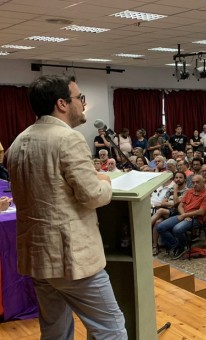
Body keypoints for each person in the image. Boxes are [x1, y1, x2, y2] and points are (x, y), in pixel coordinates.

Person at [7, 75, 127, 338]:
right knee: (111, 329)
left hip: (38, 257)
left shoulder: (18, 142)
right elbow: (93, 196)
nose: (82, 105)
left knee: (55, 330)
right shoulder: (68, 139)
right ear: (62, 103)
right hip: (71, 257)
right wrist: (105, 181)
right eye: (79, 98)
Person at [157, 175, 206, 259]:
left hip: (196, 218)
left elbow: (201, 212)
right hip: (183, 215)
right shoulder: (190, 192)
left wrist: (184, 215)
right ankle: (178, 245)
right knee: (160, 227)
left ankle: (181, 247)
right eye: (193, 182)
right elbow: (180, 205)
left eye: (197, 182)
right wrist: (183, 215)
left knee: (177, 229)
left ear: (203, 182)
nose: (195, 184)